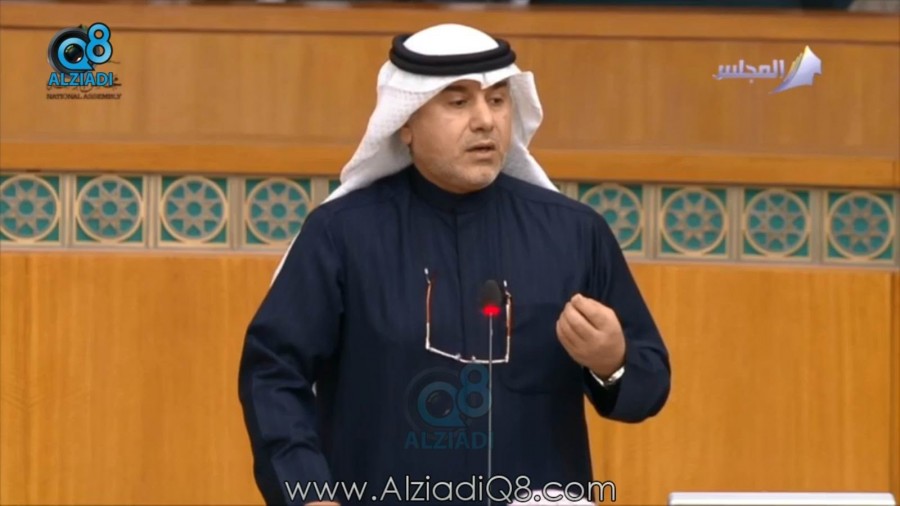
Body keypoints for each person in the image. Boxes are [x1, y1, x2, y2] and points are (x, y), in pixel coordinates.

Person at [238, 23, 670, 506]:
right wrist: (306, 493)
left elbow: (648, 384)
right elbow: (274, 374)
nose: (485, 120)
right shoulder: (341, 235)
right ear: (405, 122)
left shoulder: (574, 234)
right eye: (459, 102)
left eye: (498, 100)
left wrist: (611, 362)